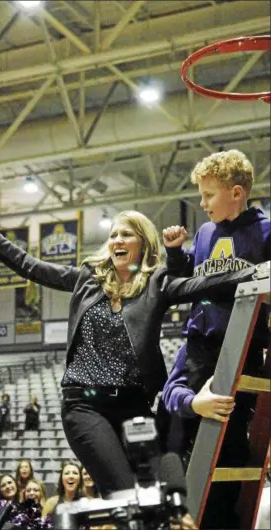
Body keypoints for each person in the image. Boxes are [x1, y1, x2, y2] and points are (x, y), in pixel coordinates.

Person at [0, 209, 264, 506]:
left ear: (143, 243)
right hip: (86, 407)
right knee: (124, 493)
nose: (117, 240)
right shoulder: (86, 279)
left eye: (127, 235)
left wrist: (260, 271)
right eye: (114, 234)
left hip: (134, 406)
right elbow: (29, 265)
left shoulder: (156, 284)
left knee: (165, 493)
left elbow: (205, 284)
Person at [161, 149, 271, 529]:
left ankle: (222, 517)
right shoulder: (206, 233)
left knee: (230, 437)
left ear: (236, 193)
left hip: (241, 349)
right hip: (201, 345)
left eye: (209, 195)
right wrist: (175, 255)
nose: (202, 204)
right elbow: (189, 284)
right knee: (182, 429)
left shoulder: (265, 231)